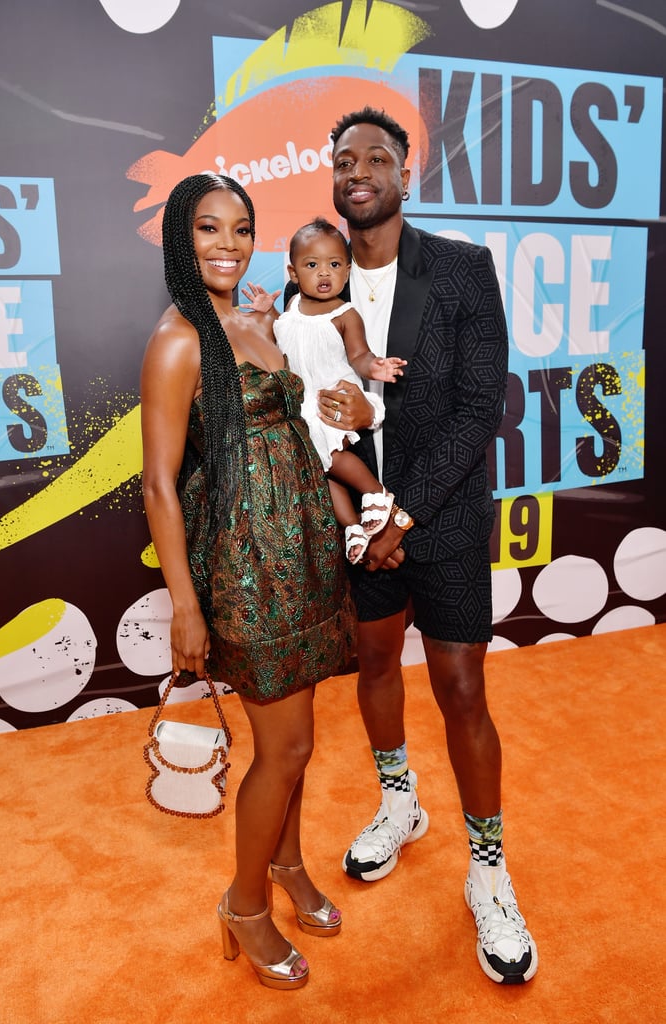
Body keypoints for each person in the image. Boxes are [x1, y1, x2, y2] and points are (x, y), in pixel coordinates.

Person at [313, 107, 538, 985]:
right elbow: (300, 412)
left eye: (376, 158)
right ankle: (398, 806)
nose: (358, 170)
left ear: (405, 176)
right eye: (343, 160)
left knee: (459, 690)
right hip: (352, 527)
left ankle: (488, 870)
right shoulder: (311, 285)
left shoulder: (460, 270)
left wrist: (398, 519)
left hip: (437, 523)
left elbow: (478, 408)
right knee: (373, 670)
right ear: (332, 181)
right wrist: (355, 521)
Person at [140, 173, 356, 991]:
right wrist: (186, 605)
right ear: (178, 238)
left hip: (298, 550)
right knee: (288, 744)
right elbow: (161, 484)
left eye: (240, 228)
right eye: (207, 228)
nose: (226, 244)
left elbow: (277, 422)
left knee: (293, 743)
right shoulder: (176, 339)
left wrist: (261, 323)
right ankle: (243, 904)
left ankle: (288, 866)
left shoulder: (245, 317)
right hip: (243, 565)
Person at [244, 217, 406, 564]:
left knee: (331, 458)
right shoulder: (292, 308)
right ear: (293, 272)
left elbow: (359, 355)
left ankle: (375, 493)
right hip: (302, 407)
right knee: (320, 468)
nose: (323, 273)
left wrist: (375, 366)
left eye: (334, 265)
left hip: (331, 401)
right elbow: (285, 334)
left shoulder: (346, 314)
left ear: (346, 272)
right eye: (312, 265)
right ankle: (351, 526)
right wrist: (267, 312)